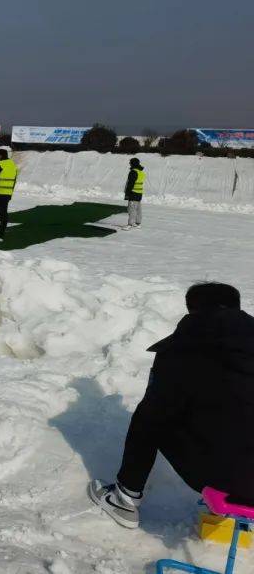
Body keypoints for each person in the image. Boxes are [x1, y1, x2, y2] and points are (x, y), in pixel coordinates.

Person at [89, 282, 254, 528]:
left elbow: (157, 410)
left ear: (193, 310)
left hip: (237, 481)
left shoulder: (184, 346)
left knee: (149, 417)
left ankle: (125, 498)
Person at [0, 149, 18, 242]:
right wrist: (10, 193)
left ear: (0, 156)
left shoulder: (0, 165)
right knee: (3, 214)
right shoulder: (13, 165)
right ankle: (1, 234)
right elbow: (14, 181)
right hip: (7, 194)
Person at [122, 158, 145, 230]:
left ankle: (130, 224)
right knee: (138, 209)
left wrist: (127, 193)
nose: (129, 164)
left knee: (131, 209)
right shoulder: (141, 172)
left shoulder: (133, 172)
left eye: (130, 162)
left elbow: (130, 184)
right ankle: (137, 223)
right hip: (139, 193)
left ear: (133, 163)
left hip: (133, 193)